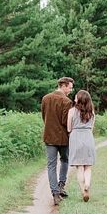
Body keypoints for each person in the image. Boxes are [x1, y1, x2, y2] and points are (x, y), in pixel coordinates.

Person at [41, 77, 74, 206]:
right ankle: (61, 185)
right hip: (63, 138)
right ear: (64, 86)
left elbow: (44, 117)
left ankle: (55, 193)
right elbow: (66, 122)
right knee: (65, 160)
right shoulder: (67, 101)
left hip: (49, 136)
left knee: (51, 165)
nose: (71, 90)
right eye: (70, 87)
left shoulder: (45, 98)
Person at [67, 89, 96, 202]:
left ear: (79, 99)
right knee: (88, 167)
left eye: (76, 97)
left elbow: (69, 128)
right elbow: (92, 127)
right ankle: (87, 184)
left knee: (79, 167)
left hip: (76, 137)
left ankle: (83, 191)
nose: (74, 98)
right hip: (88, 137)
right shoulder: (91, 112)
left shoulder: (72, 111)